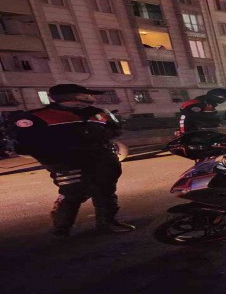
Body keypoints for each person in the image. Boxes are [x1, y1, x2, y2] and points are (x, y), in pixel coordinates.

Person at [7, 84, 135, 237]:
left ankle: (107, 222)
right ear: (72, 97)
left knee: (105, 191)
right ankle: (62, 227)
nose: (91, 97)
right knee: (73, 194)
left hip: (101, 159)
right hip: (67, 162)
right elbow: (26, 145)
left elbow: (115, 129)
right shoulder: (38, 116)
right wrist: (54, 159)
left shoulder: (98, 113)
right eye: (86, 95)